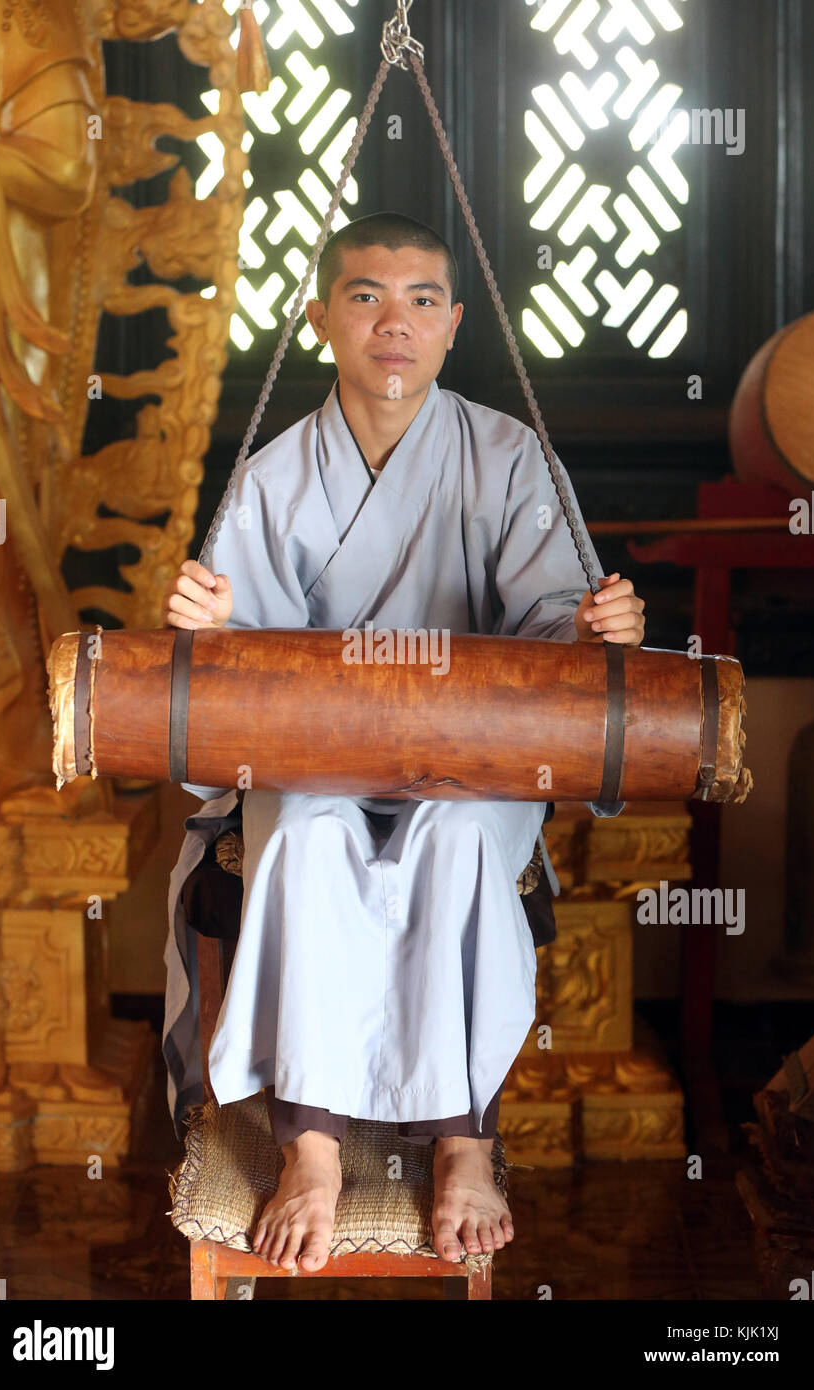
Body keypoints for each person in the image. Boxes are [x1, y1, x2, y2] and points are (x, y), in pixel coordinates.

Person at [162, 212, 645, 1274]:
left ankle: (463, 1135)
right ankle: (315, 1145)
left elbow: (557, 641)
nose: (396, 322)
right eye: (367, 295)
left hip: (470, 762)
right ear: (321, 314)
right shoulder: (275, 474)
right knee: (307, 834)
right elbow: (230, 679)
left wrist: (594, 631)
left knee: (463, 835)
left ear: (454, 324)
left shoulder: (509, 456)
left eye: (422, 299)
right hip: (317, 762)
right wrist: (203, 627)